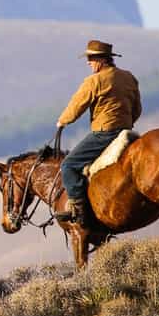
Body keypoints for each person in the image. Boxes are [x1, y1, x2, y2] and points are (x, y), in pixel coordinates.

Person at [52, 40, 141, 225]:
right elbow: (137, 108)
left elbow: (77, 105)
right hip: (126, 130)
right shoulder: (129, 77)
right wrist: (127, 122)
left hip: (104, 133)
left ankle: (79, 210)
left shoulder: (94, 81)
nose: (88, 62)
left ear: (101, 60)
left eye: (91, 58)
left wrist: (62, 121)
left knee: (68, 165)